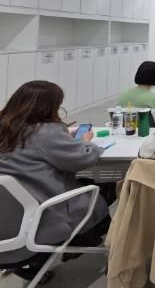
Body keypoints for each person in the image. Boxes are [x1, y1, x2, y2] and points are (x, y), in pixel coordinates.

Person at [0, 81, 110, 283]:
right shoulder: (45, 132)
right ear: (47, 107)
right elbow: (82, 158)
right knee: (106, 187)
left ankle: (37, 264)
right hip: (42, 218)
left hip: (7, 219)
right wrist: (86, 141)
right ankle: (82, 242)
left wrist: (62, 138)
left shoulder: (6, 127)